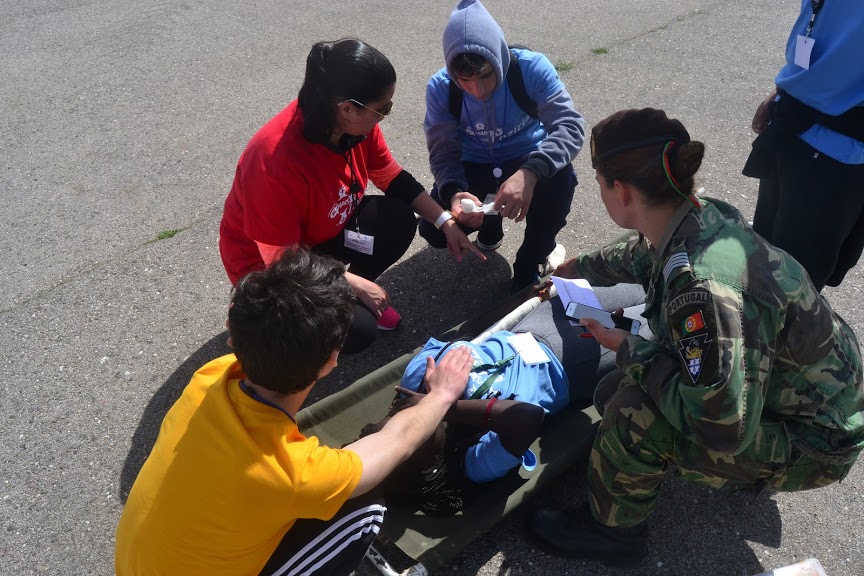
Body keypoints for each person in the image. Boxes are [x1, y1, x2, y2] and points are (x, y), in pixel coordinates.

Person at [529, 108, 864, 568]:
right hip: (814, 393)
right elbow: (643, 254)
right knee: (613, 390)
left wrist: (626, 347)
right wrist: (575, 268)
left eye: (601, 183)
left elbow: (720, 429)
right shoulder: (703, 216)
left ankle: (613, 535)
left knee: (631, 413)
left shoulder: (701, 292)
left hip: (818, 442)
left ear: (621, 191)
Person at [115, 249, 474, 576]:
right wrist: (442, 394)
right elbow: (397, 441)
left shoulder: (207, 378)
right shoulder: (293, 474)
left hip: (135, 565)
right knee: (365, 507)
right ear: (332, 360)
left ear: (232, 336)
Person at [219, 38, 483, 352]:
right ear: (346, 108)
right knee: (357, 332)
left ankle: (338, 299)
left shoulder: (353, 124)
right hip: (272, 268)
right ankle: (261, 323)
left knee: (398, 219)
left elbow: (391, 176)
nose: (383, 116)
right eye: (382, 109)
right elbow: (281, 260)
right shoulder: (273, 160)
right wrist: (352, 282)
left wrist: (444, 221)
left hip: (318, 236)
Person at [420, 0, 585, 292]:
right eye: (465, 80)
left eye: (486, 75)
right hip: (474, 165)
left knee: (560, 179)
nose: (478, 90)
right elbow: (443, 151)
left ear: (499, 58)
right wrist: (454, 192)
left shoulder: (531, 68)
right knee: (432, 229)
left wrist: (530, 173)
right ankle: (489, 223)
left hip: (526, 157)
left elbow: (569, 126)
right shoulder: (441, 87)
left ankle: (529, 264)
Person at [744, 1, 864, 291]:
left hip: (837, 149)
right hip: (791, 127)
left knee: (793, 287)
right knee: (763, 259)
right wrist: (783, 89)